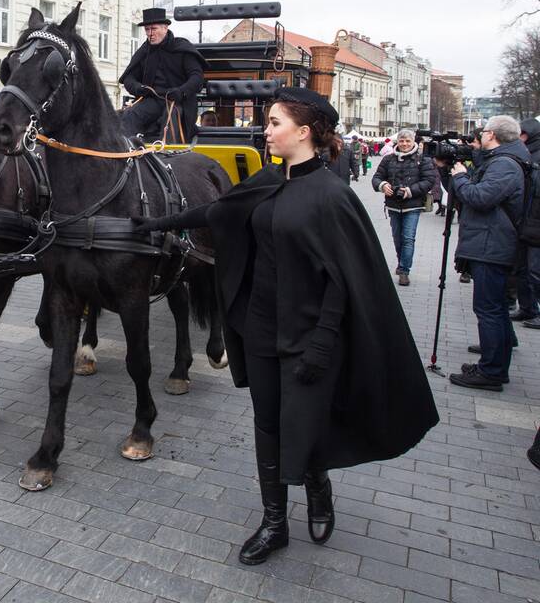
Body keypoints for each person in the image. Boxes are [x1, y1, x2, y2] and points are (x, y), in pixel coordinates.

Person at [133, 87, 438, 567]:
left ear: (305, 131)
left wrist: (321, 343)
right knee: (268, 424)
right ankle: (274, 523)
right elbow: (220, 212)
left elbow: (344, 279)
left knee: (306, 421)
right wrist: (154, 222)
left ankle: (318, 488)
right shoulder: (268, 179)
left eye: (274, 123)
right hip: (260, 330)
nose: (266, 130)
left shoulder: (331, 195)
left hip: (310, 337)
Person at [447, 115, 531, 392]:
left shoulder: (505, 165)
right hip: (492, 242)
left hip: (492, 245)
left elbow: (480, 198)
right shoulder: (504, 160)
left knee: (489, 309)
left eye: (483, 132)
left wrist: (459, 177)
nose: (479, 136)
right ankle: (494, 364)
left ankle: (491, 370)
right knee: (494, 308)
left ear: (492, 135)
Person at [119, 8, 207, 144]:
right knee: (129, 115)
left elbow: (197, 77)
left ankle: (168, 154)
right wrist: (138, 88)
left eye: (153, 29)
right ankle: (127, 152)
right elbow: (129, 78)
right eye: (147, 30)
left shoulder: (182, 48)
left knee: (171, 116)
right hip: (152, 100)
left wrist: (181, 91)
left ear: (165, 28)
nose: (150, 34)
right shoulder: (143, 52)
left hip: (179, 101)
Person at [371, 129, 437, 286]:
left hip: (412, 205)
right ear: (397, 142)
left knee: (408, 238)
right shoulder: (388, 159)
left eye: (407, 141)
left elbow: (429, 180)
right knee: (397, 238)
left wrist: (410, 190)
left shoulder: (423, 160)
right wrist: (382, 185)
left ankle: (404, 270)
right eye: (401, 141)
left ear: (413, 141)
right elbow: (376, 177)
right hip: (393, 205)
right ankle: (402, 262)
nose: (404, 144)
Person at [513, 116, 540, 328]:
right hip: (523, 218)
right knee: (521, 268)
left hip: (535, 220)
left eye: (522, 135)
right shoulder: (524, 154)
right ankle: (527, 307)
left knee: (535, 270)